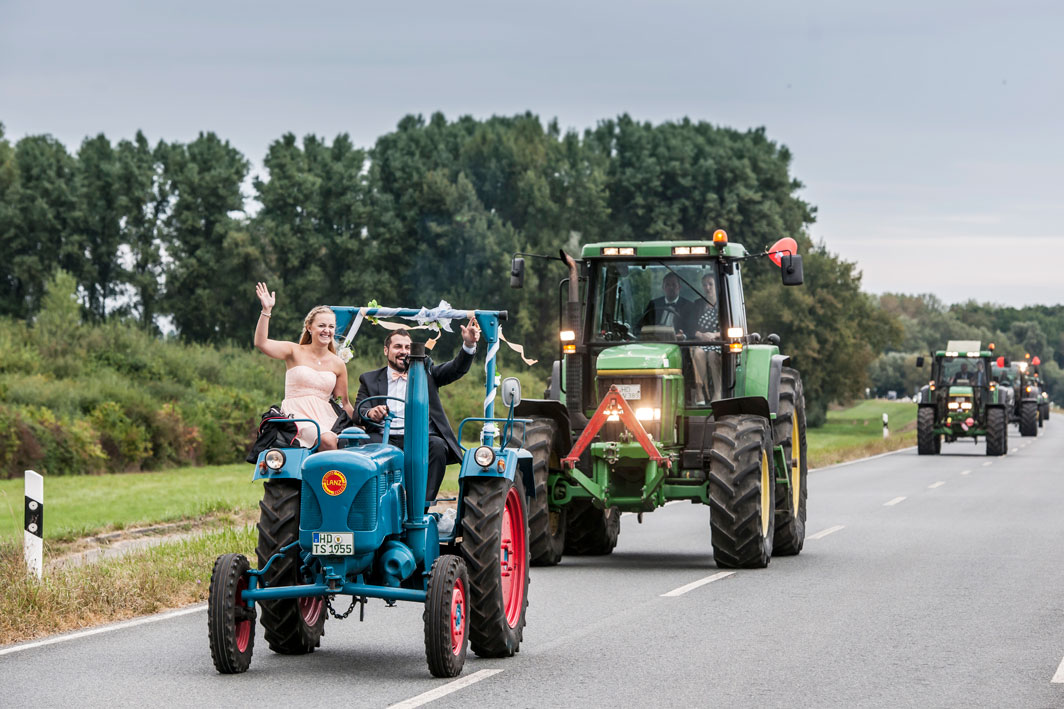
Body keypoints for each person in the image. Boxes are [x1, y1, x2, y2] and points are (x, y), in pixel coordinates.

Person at [355, 320, 480, 503]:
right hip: (383, 437)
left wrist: (469, 345)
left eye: (407, 347)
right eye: (398, 346)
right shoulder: (370, 379)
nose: (403, 351)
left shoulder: (427, 373)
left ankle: (421, 507)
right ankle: (371, 506)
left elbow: (455, 368)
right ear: (386, 350)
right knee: (359, 445)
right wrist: (371, 412)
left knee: (437, 446)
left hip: (419, 437)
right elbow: (359, 412)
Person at [254, 282, 354, 451]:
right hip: (298, 415)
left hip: (327, 417)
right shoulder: (294, 351)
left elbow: (344, 402)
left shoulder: (337, 363)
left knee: (347, 440)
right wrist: (266, 311)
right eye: (321, 325)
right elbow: (261, 343)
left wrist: (362, 422)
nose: (326, 330)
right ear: (309, 327)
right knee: (329, 441)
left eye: (331, 326)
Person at [689, 272, 723, 404]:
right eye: (705, 285)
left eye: (710, 284)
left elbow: (730, 328)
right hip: (701, 341)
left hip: (719, 342)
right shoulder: (697, 304)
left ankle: (718, 391)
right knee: (698, 353)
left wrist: (714, 335)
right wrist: (701, 335)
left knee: (713, 355)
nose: (707, 287)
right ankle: (699, 391)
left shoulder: (724, 305)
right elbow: (690, 326)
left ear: (717, 286)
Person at [638, 271, 693, 339]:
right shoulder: (653, 304)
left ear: (679, 287)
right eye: (667, 285)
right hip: (654, 342)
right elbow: (639, 326)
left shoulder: (689, 306)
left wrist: (683, 336)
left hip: (678, 343)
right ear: (663, 287)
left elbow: (692, 330)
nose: (671, 287)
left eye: (674, 285)